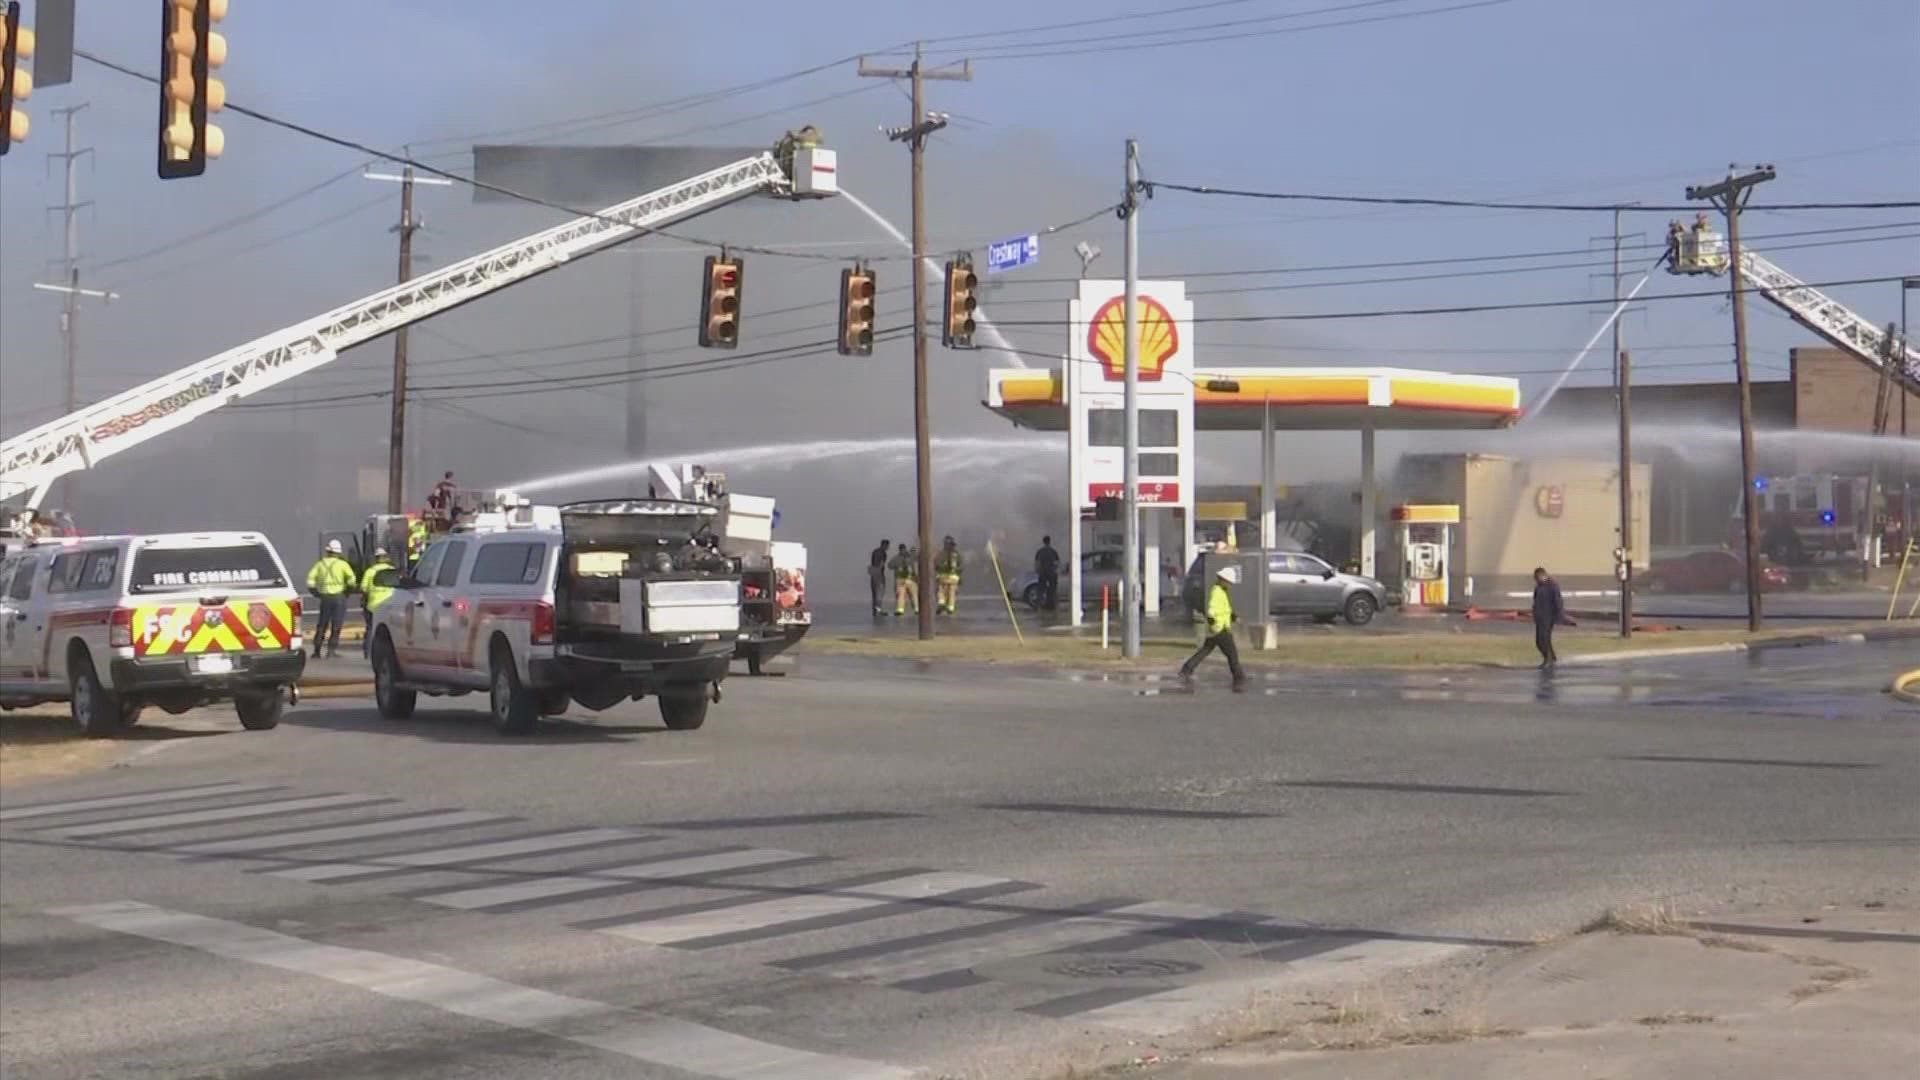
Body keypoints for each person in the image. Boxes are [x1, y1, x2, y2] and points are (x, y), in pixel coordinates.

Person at [1180, 565, 1246, 690]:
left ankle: (1187, 669)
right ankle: (1239, 676)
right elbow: (1212, 610)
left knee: (1206, 650)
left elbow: (1225, 609)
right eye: (1229, 582)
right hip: (1220, 628)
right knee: (1232, 654)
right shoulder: (1217, 592)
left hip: (1218, 627)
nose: (1230, 585)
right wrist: (1213, 622)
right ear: (1223, 580)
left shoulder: (1222, 591)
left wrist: (1233, 617)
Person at [306, 539, 357, 659]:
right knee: (336, 625)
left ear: (327, 551)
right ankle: (331, 651)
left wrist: (316, 593)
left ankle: (317, 651)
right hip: (339, 597)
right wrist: (347, 593)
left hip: (325, 598)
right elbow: (352, 581)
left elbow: (310, 581)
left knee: (322, 624)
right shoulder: (343, 565)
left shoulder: (320, 564)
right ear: (338, 553)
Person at [1531, 566, 1574, 669]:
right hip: (1539, 617)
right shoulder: (1538, 587)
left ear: (1543, 575)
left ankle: (1548, 660)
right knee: (1539, 641)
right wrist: (1534, 613)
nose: (1536, 580)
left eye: (1537, 578)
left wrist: (1561, 616)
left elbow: (1558, 602)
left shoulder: (1552, 586)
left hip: (1548, 617)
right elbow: (1535, 602)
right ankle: (1552, 658)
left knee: (1543, 639)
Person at [359, 547, 396, 658]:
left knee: (371, 629)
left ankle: (368, 653)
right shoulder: (392, 570)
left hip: (373, 606)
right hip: (389, 606)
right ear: (385, 557)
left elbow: (364, 588)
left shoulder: (370, 572)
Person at [935, 536, 963, 615]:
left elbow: (936, 565)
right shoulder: (957, 555)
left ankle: (941, 603)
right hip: (954, 577)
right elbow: (961, 566)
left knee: (941, 591)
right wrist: (959, 576)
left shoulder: (941, 554)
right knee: (952, 592)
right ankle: (950, 608)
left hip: (942, 577)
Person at [890, 543, 919, 616]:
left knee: (908, 595)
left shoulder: (897, 558)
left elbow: (890, 566)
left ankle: (904, 609)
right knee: (909, 595)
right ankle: (913, 609)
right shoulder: (907, 557)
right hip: (906, 579)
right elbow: (890, 565)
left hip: (905, 579)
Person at [1035, 535, 1061, 610]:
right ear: (1049, 541)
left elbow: (1037, 563)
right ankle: (1052, 605)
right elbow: (1057, 563)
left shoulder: (1040, 552)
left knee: (1041, 589)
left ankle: (1040, 605)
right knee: (1053, 589)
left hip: (1042, 573)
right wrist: (1055, 570)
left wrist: (1038, 571)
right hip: (1051, 573)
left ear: (1043, 542)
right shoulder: (1053, 551)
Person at [869, 539, 891, 616]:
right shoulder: (883, 553)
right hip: (878, 574)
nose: (888, 547)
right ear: (885, 545)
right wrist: (880, 575)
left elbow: (873, 562)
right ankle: (878, 611)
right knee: (880, 593)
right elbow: (881, 564)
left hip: (873, 573)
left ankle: (875, 611)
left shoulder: (875, 551)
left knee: (874, 593)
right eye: (888, 546)